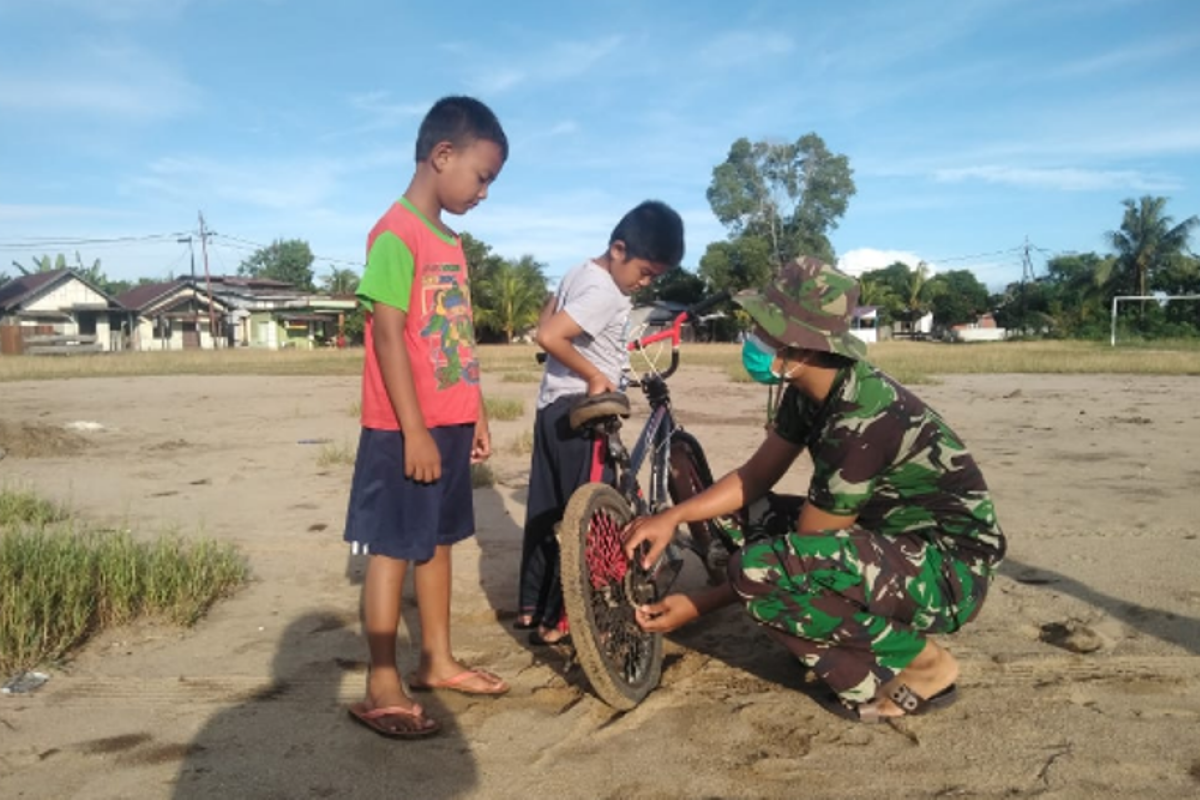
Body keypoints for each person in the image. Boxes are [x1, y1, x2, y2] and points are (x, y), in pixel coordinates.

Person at [624, 256, 1005, 722]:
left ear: (802, 347)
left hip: (948, 572)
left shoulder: (861, 420)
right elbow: (755, 476)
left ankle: (923, 664)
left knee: (757, 571)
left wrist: (700, 605)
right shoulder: (808, 390)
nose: (754, 341)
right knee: (732, 521)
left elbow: (806, 547)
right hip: (889, 540)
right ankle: (827, 622)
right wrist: (675, 516)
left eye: (766, 331)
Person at [343, 96, 509, 740]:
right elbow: (387, 336)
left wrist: (476, 412)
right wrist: (413, 428)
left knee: (437, 544)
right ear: (443, 156)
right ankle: (382, 678)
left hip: (448, 422)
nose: (485, 192)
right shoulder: (396, 232)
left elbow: (456, 339)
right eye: (482, 175)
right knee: (391, 550)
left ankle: (436, 659)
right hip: (401, 429)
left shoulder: (450, 241)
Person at [516, 200, 685, 646]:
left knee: (548, 510)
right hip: (587, 413)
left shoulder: (578, 273)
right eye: (645, 272)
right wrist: (594, 373)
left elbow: (547, 314)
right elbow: (550, 336)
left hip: (552, 406)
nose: (645, 283)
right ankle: (564, 619)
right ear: (618, 249)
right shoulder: (608, 292)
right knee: (589, 518)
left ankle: (533, 606)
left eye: (655, 278)